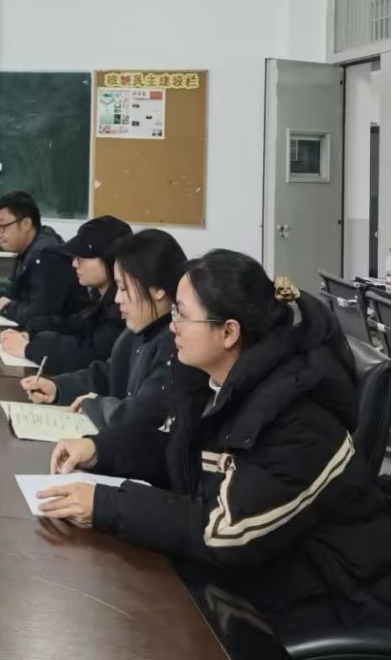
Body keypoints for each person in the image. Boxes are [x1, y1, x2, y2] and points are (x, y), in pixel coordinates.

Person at [39, 251, 391, 631]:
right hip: (259, 575)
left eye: (183, 314)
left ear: (228, 333)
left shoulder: (300, 419)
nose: (172, 325)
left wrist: (106, 504)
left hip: (329, 598)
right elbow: (178, 454)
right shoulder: (218, 386)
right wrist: (100, 450)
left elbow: (226, 531)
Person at [18, 229, 204, 431]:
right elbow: (108, 375)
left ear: (157, 289)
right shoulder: (134, 333)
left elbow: (144, 414)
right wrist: (58, 388)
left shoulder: (177, 345)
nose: (117, 299)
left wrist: (95, 406)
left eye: (124, 288)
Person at [0, 215, 132, 374]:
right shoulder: (100, 299)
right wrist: (31, 334)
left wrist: (30, 349)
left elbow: (90, 356)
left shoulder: (122, 308)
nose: (75, 264)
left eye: (82, 258)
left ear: (109, 259)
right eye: (75, 257)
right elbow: (72, 325)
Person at [0, 191, 87, 325]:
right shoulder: (29, 247)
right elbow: (12, 293)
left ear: (26, 224)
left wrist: (7, 308)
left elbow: (38, 317)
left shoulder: (46, 256)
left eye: (3, 226)